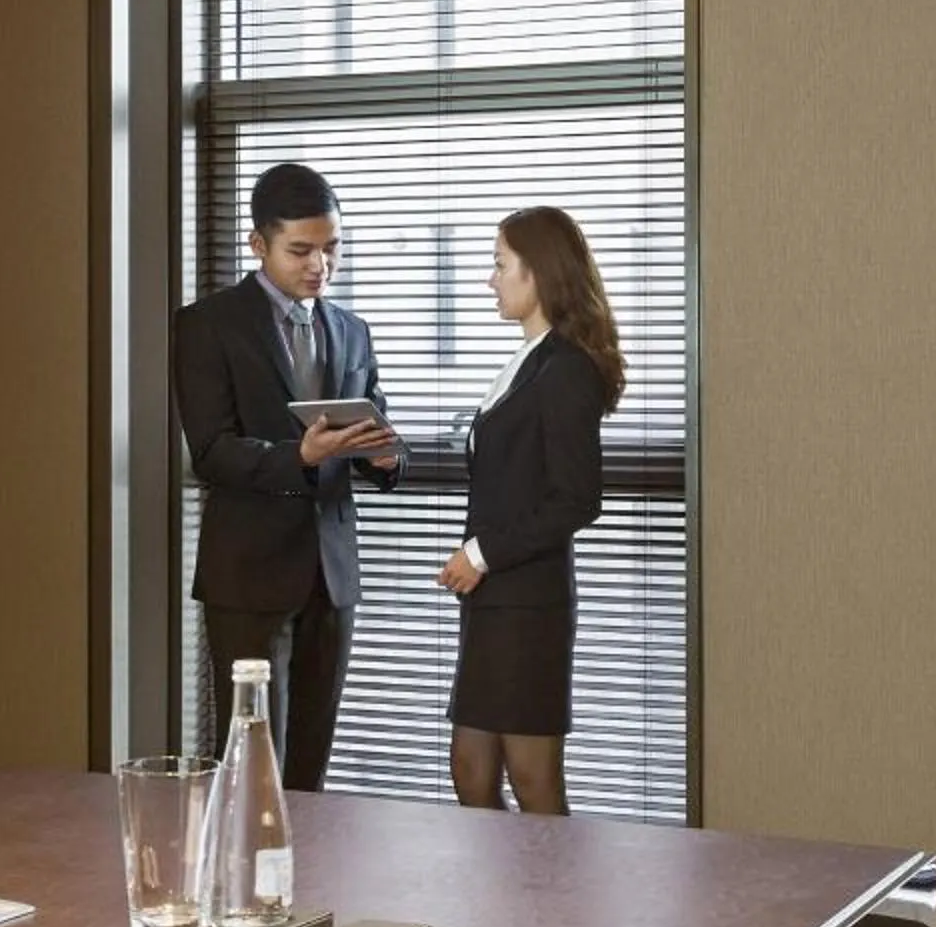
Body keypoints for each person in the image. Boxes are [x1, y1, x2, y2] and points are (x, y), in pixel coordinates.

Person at [175, 163, 399, 791]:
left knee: (310, 765)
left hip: (331, 576)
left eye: (332, 248)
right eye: (301, 251)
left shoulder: (352, 330)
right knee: (249, 765)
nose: (320, 266)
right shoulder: (207, 325)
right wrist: (299, 455)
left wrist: (385, 459)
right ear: (259, 244)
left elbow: (375, 426)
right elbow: (212, 452)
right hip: (248, 574)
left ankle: (307, 860)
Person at [436, 206, 624, 815]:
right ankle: (499, 884)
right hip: (493, 602)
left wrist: (480, 553)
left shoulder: (567, 368)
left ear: (537, 272)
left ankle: (556, 883)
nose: (489, 279)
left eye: (500, 265)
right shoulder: (531, 359)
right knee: (470, 770)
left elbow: (576, 499)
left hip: (528, 606)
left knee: (533, 778)